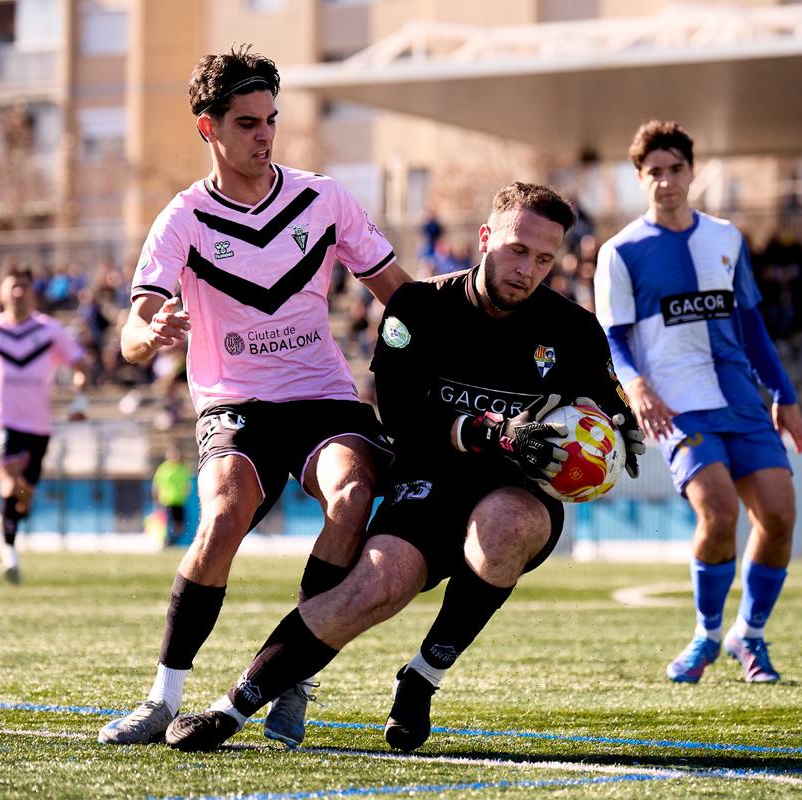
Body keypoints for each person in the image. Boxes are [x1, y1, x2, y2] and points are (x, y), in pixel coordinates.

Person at [157, 182, 645, 754]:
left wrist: (616, 428)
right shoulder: (420, 307)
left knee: (503, 529)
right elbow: (399, 414)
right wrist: (490, 430)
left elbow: (607, 400)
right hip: (431, 481)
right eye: (517, 249)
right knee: (373, 588)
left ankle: (421, 679)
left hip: (514, 491)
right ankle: (231, 708)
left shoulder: (573, 329)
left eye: (544, 258)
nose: (527, 269)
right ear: (485, 238)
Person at [98, 46, 410, 748]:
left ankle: (292, 679)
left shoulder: (323, 198)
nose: (264, 134)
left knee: (354, 496)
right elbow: (130, 334)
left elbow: (403, 299)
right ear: (208, 128)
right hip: (234, 403)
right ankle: (161, 698)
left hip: (324, 399)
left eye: (271, 119)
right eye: (246, 123)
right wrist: (154, 333)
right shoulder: (182, 217)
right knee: (222, 515)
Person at [594, 120, 802, 684]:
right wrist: (635, 386)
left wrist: (783, 393)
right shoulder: (620, 253)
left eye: (675, 170)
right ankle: (706, 636)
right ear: (639, 179)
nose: (666, 182)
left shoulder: (726, 238)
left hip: (740, 397)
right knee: (718, 510)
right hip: (674, 403)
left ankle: (749, 635)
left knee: (780, 514)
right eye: (653, 173)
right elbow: (613, 338)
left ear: (692, 172)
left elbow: (753, 324)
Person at [0, 264, 88, 585]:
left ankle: (7, 518)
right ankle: (9, 556)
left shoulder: (50, 331)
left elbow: (80, 364)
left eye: (24, 286)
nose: (18, 292)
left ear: (32, 291)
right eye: (12, 285)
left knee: (24, 496)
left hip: (39, 425)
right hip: (1, 419)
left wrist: (80, 398)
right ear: (0, 292)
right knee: (10, 483)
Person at [153, 446, 193, 546]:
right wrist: (156, 499)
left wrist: (186, 491)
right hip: (166, 500)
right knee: (166, 524)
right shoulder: (163, 468)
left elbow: (188, 484)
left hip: (179, 501)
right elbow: (156, 485)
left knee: (180, 526)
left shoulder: (183, 469)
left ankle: (171, 541)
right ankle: (166, 541)